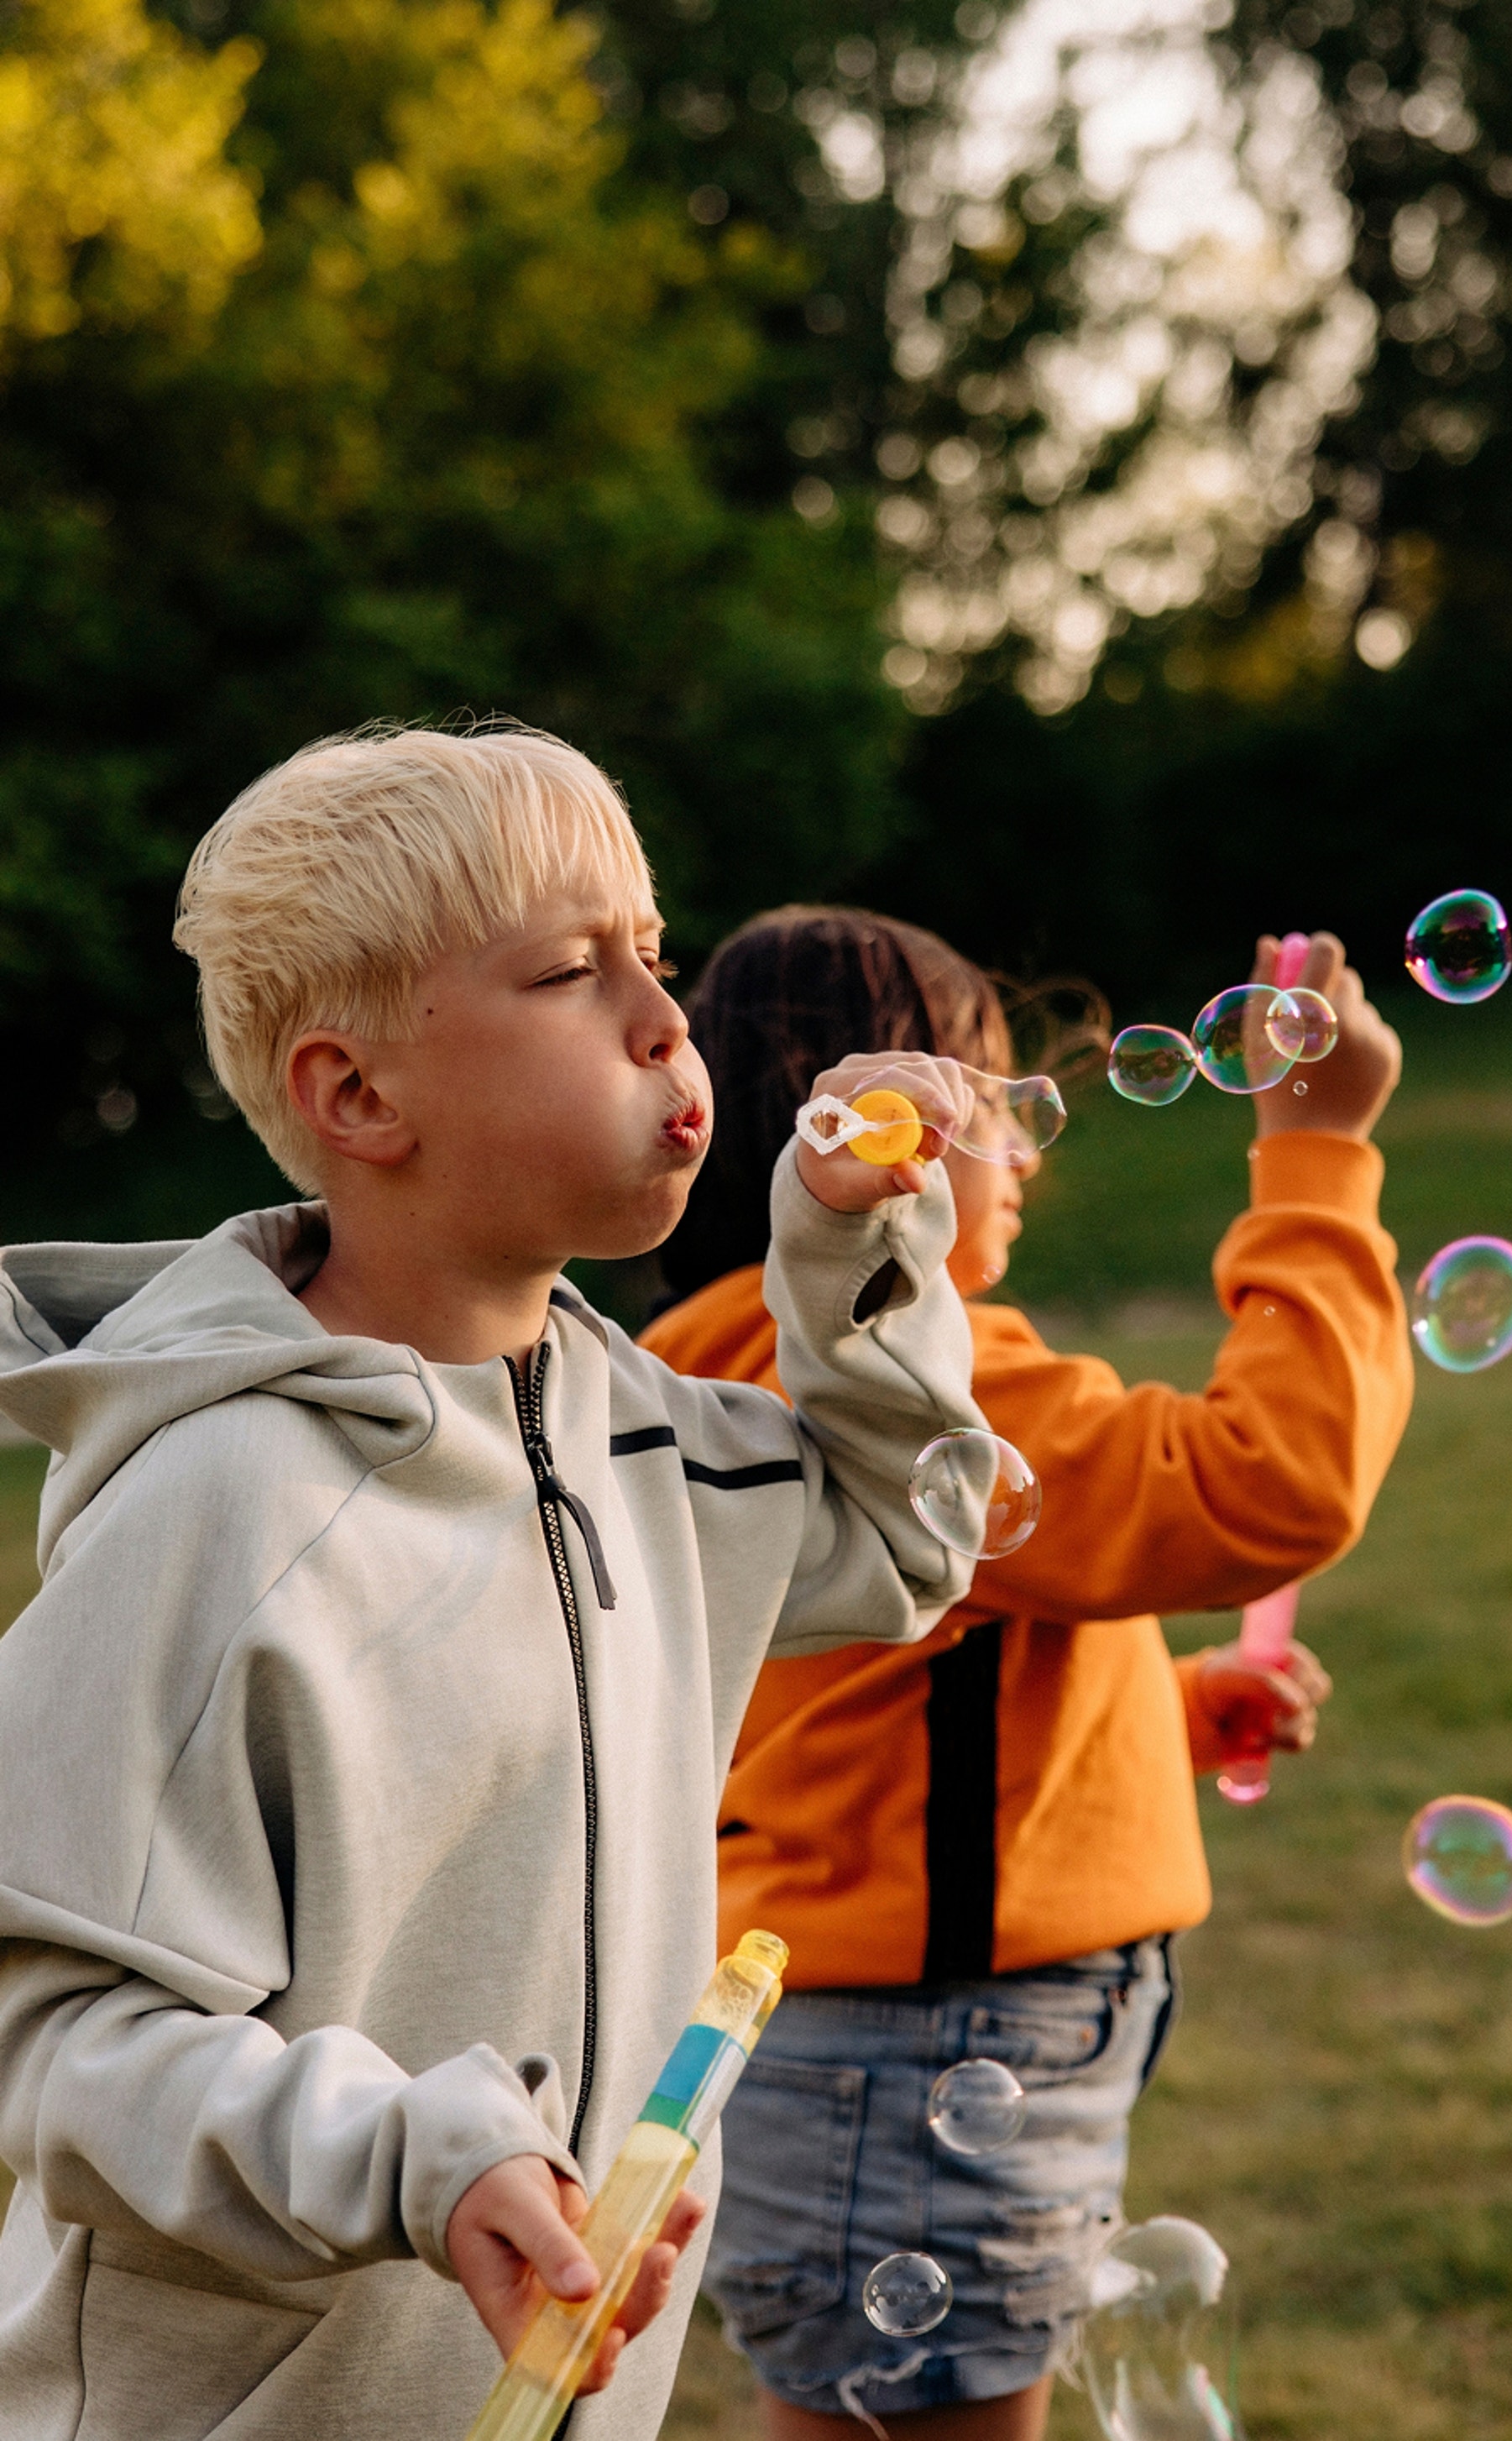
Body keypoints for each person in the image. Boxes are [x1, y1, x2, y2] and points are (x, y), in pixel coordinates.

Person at [0, 730, 989, 2441]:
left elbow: (904, 1531)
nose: (663, 1021)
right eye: (567, 971)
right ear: (360, 1095)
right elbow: (54, 2032)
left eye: (653, 959)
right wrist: (416, 2157)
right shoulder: (218, 1507)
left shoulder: (643, 1445)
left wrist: (846, 1247)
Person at [640, 906, 1411, 2440]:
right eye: (992, 1101)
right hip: (932, 2053)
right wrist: (1317, 1148)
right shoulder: (918, 1376)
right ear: (882, 1138)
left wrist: (1154, 1718)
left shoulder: (714, 1353)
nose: (1027, 1150)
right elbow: (1270, 1486)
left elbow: (858, 1714)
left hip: (865, 2050)